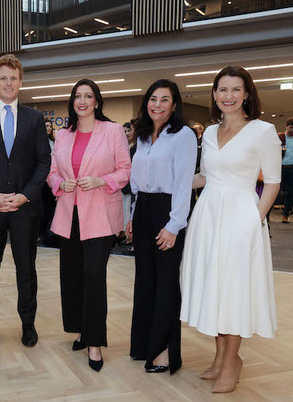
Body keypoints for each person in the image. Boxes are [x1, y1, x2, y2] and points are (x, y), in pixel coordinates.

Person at [180, 66, 281, 393]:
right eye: (222, 90)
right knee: (213, 286)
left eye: (235, 90)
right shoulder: (208, 133)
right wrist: (172, 182)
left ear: (247, 94)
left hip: (241, 217)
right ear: (214, 94)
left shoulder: (262, 131)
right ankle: (220, 355)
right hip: (208, 216)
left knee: (234, 289)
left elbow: (273, 184)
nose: (228, 96)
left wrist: (255, 220)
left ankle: (232, 361)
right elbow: (206, 177)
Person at [0, 54, 51, 350]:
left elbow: (44, 161)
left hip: (24, 209)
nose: (8, 83)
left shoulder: (34, 118)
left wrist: (25, 194)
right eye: (3, 77)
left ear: (20, 82)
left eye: (13, 78)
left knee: (25, 269)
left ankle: (28, 324)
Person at [48, 79, 131, 371]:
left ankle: (95, 342)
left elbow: (125, 170)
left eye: (88, 96)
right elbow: (52, 173)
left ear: (97, 101)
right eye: (77, 96)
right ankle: (82, 328)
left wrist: (101, 181)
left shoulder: (112, 131)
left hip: (100, 216)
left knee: (94, 276)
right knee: (73, 277)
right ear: (72, 102)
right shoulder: (63, 135)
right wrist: (61, 183)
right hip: (69, 215)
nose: (82, 101)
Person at [126, 79, 196, 376]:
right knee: (145, 282)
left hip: (168, 213)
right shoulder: (142, 137)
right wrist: (131, 215)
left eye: (164, 100)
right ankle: (144, 345)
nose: (157, 104)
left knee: (166, 284)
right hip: (143, 212)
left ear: (174, 105)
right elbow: (136, 186)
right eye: (153, 99)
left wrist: (174, 225)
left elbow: (183, 183)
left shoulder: (184, 136)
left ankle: (166, 351)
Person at [39, 119, 57, 246]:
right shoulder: (38, 142)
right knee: (43, 209)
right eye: (46, 126)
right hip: (42, 181)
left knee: (51, 208)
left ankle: (48, 233)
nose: (48, 128)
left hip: (53, 180)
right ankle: (40, 233)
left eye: (50, 126)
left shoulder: (54, 142)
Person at [119, 121, 137, 245]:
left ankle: (131, 238)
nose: (126, 134)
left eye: (129, 131)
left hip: (134, 184)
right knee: (125, 211)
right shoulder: (123, 146)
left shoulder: (138, 146)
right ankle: (126, 236)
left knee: (132, 210)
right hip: (124, 184)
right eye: (124, 131)